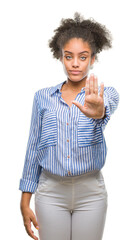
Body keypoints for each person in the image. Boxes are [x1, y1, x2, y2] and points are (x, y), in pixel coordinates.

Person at [19, 12, 119, 240]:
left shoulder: (103, 94)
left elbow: (108, 105)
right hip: (50, 192)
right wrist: (24, 201)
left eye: (83, 57)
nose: (75, 63)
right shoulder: (43, 97)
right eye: (68, 56)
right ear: (60, 57)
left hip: (91, 192)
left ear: (93, 59)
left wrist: (99, 110)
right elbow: (33, 148)